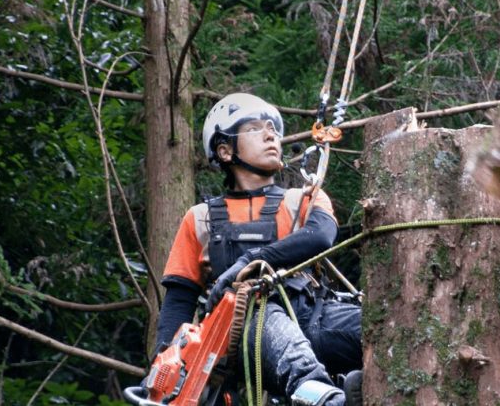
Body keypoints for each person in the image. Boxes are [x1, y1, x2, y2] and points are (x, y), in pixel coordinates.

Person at [154, 93, 363, 406]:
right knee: (259, 309)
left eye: (273, 129)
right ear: (224, 150)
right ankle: (320, 396)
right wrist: (164, 364)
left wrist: (251, 259)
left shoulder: (303, 199)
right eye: (254, 128)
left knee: (380, 324)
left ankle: (357, 389)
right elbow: (179, 300)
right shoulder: (200, 219)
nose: (270, 135)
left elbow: (321, 236)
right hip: (244, 333)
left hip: (313, 317)